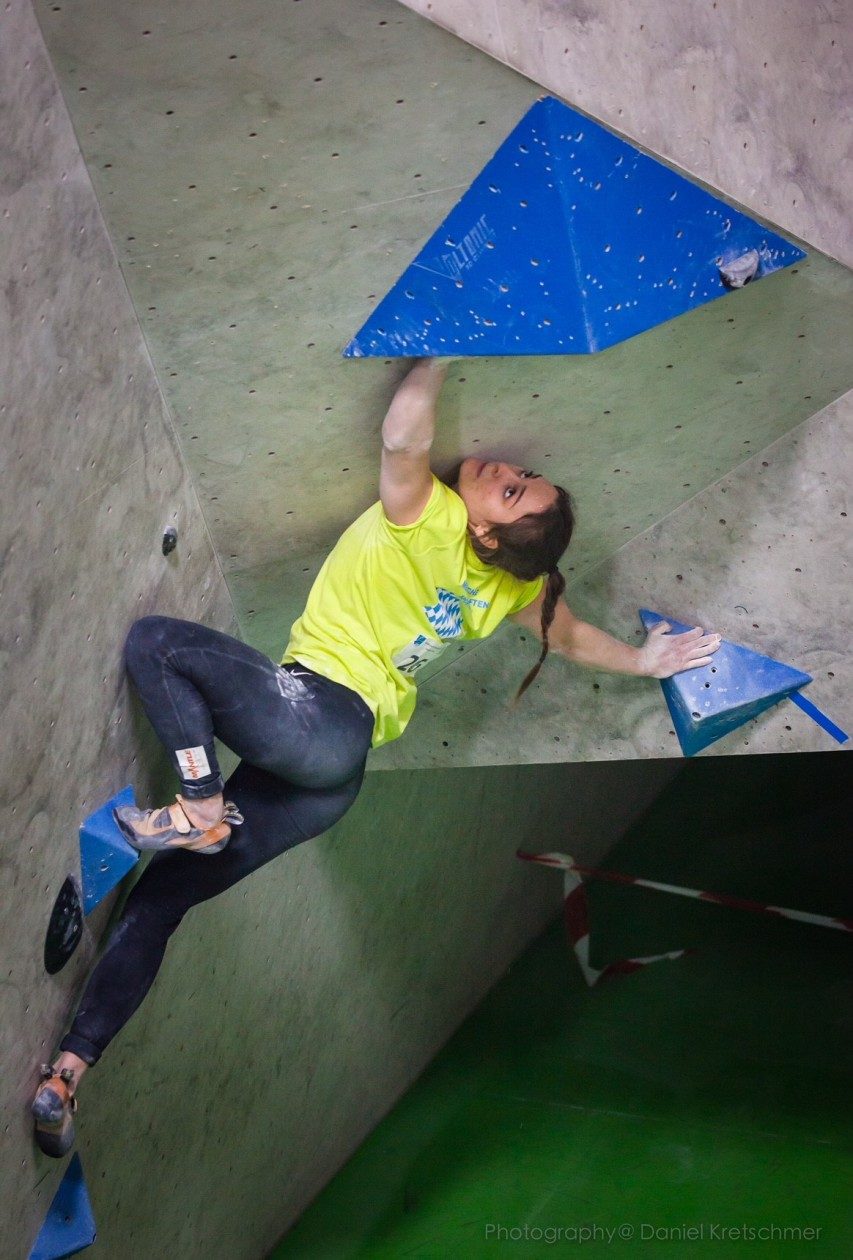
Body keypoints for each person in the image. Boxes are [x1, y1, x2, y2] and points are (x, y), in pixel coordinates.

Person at [32, 359, 720, 1155]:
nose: (505, 471)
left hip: (320, 716)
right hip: (331, 778)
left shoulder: (428, 519)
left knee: (157, 645)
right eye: (522, 475)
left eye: (509, 490)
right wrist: (643, 661)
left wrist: (438, 352)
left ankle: (199, 806)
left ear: (485, 532)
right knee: (159, 903)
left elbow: (402, 437)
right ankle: (68, 1075)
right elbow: (566, 636)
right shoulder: (504, 589)